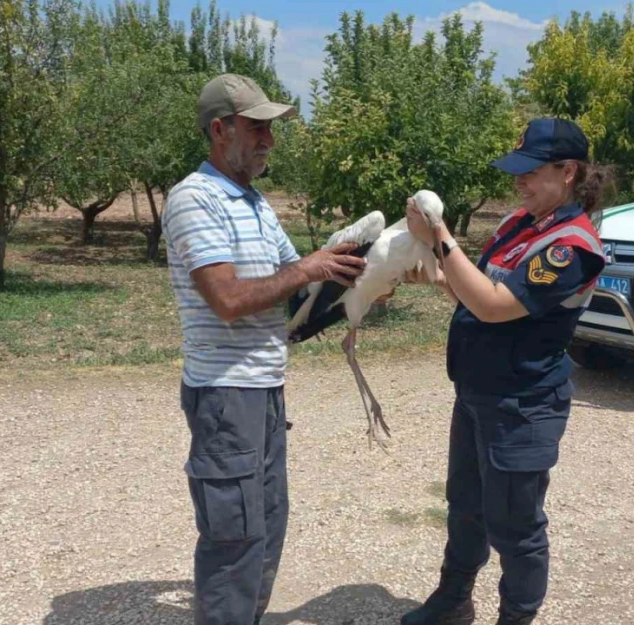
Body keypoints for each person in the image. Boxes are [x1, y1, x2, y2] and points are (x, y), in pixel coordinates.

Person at [163, 74, 369, 625]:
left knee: (267, 526)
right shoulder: (195, 198)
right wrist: (308, 267)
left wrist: (360, 279)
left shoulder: (254, 203)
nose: (268, 141)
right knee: (234, 538)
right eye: (257, 129)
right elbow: (228, 299)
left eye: (270, 130)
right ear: (219, 129)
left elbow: (296, 289)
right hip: (226, 395)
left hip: (265, 389)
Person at [401, 117, 610, 625]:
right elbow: (472, 294)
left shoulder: (572, 247)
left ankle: (515, 619)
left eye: (530, 172)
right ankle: (453, 601)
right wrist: (433, 263)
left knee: (516, 527)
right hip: (478, 391)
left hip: (523, 403)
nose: (518, 182)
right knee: (465, 507)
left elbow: (495, 305)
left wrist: (441, 233)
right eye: (516, 172)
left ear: (568, 172)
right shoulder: (519, 224)